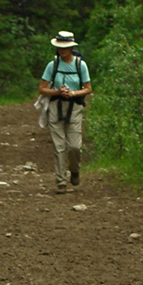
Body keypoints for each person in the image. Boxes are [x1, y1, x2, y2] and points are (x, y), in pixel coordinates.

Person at [38, 31, 91, 194]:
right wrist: (57, 92)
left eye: (65, 47)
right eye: (60, 47)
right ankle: (61, 181)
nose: (62, 50)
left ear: (71, 48)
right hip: (56, 107)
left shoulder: (80, 65)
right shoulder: (52, 65)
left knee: (74, 146)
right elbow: (41, 88)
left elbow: (88, 88)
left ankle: (74, 170)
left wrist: (73, 93)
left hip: (74, 107)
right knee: (58, 146)